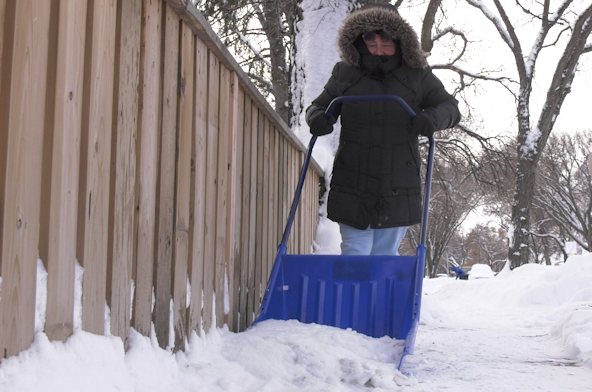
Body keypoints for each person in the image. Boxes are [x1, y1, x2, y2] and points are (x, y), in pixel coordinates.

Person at [306, 4, 461, 256]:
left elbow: (450, 107)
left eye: (385, 44)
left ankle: (381, 296)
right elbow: (319, 106)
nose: (379, 51)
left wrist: (431, 118)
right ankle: (355, 296)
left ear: (399, 40)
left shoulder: (417, 74)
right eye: (372, 44)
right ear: (359, 41)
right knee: (354, 254)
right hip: (352, 181)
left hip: (397, 182)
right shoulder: (344, 73)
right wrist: (318, 118)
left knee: (384, 256)